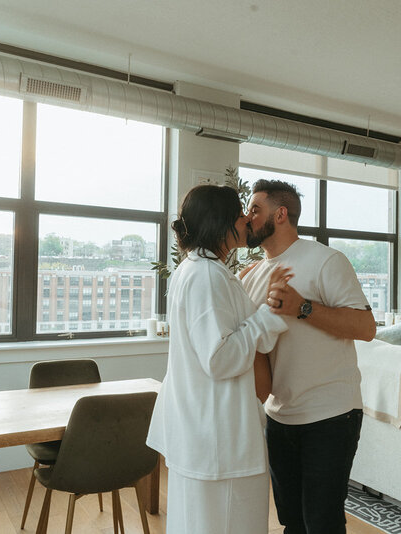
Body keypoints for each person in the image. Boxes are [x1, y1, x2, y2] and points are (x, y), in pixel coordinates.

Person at [146, 184, 292, 534]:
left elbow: (236, 334)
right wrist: (269, 314)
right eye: (239, 214)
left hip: (204, 432)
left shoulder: (199, 270)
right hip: (217, 438)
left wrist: (265, 311)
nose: (246, 220)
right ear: (219, 222)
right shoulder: (207, 276)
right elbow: (220, 358)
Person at [240, 179, 376, 534]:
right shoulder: (250, 276)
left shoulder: (326, 260)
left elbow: (366, 327)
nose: (248, 217)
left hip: (331, 414)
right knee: (293, 523)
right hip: (279, 416)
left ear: (280, 214)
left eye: (255, 209)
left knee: (322, 523)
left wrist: (302, 307)